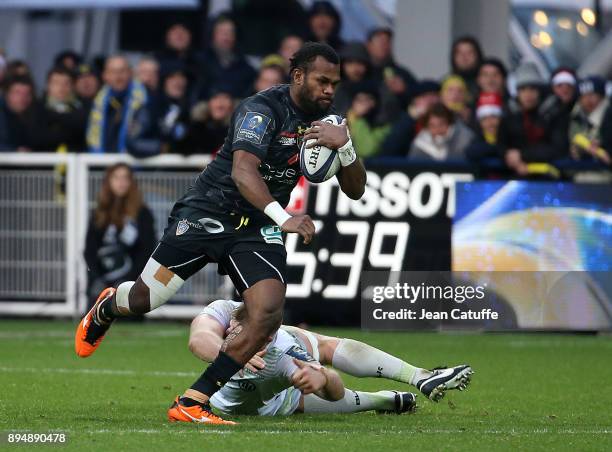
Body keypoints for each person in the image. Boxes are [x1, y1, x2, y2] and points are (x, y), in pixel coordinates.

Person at [74, 42, 367, 425]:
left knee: (267, 312)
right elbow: (242, 172)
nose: (330, 90)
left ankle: (194, 400)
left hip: (256, 229)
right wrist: (285, 218)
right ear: (298, 76)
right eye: (322, 81)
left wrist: (346, 147)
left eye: (335, 83)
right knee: (146, 298)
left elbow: (357, 189)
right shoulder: (261, 110)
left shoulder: (331, 122)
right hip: (209, 213)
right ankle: (109, 305)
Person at [169, 299, 473, 420]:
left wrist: (322, 378)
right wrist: (230, 356)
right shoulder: (225, 310)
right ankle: (388, 399)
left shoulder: (283, 349)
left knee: (322, 350)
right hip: (241, 403)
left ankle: (418, 376)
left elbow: (333, 388)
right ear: (234, 324)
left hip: (280, 397)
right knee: (366, 399)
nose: (259, 341)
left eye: (266, 336)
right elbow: (198, 338)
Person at [84, 163, 156, 306]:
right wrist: (97, 278)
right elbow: (89, 250)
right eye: (116, 178)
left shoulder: (142, 213)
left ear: (131, 182)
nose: (121, 183)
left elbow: (147, 249)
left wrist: (130, 280)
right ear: (108, 182)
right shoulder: (99, 212)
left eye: (125, 178)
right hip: (102, 281)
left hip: (131, 284)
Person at [499, 62, 567, 176]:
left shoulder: (554, 113)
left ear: (539, 91)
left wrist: (522, 155)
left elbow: (558, 148)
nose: (528, 94)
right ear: (517, 92)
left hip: (549, 178)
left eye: (532, 89)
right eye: (523, 89)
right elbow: (501, 144)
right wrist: (510, 157)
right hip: (515, 176)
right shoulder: (510, 114)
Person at [86, 55, 148, 153]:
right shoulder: (97, 100)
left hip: (133, 162)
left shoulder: (146, 99)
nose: (118, 76)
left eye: (122, 71)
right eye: (113, 72)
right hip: (102, 162)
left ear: (130, 73)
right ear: (105, 75)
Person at [198, 16, 256, 99]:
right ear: (213, 35)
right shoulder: (198, 62)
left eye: (230, 32)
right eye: (222, 32)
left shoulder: (245, 68)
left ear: (235, 37)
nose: (226, 36)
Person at [381, 80, 441, 156]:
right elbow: (390, 148)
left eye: (434, 95)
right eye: (424, 96)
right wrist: (411, 118)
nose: (430, 100)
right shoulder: (401, 118)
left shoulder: (448, 119)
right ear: (415, 100)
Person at [39, 66, 88, 152]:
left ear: (73, 86)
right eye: (56, 83)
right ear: (48, 85)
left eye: (66, 83)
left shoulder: (84, 108)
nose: (61, 88)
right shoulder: (37, 108)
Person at [568, 76, 612, 165]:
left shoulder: (609, 115)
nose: (588, 100)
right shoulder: (575, 116)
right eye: (584, 96)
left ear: (602, 96)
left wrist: (603, 148)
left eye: (592, 95)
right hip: (579, 172)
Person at [409, 102, 474, 161]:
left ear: (450, 123)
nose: (437, 129)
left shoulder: (465, 140)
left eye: (442, 124)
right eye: (432, 126)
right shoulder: (420, 144)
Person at [183, 89, 235, 155]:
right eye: (215, 98)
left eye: (226, 98)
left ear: (232, 105)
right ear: (208, 104)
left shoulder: (238, 131)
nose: (220, 103)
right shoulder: (196, 129)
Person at [0, 76, 40, 151]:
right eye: (17, 93)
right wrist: (14, 151)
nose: (22, 98)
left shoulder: (36, 113)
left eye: (27, 93)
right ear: (7, 94)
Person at [465, 92, 504, 162]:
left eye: (494, 117)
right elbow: (471, 153)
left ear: (501, 119)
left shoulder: (512, 138)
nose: (490, 122)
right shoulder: (475, 138)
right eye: (485, 118)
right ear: (480, 122)